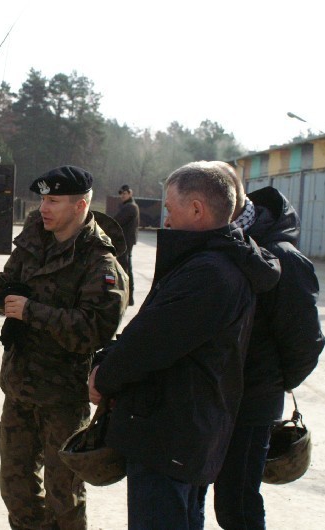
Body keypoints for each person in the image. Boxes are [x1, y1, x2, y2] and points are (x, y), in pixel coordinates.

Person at [88, 161, 281, 529]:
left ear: (196, 209)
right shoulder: (217, 262)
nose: (166, 217)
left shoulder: (210, 273)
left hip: (171, 434)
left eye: (170, 208)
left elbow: (150, 343)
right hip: (190, 430)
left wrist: (105, 376)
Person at [0, 165, 128, 530]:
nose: (44, 207)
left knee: (64, 498)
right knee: (16, 489)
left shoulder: (99, 262)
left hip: (62, 396)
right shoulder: (32, 243)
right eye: (43, 198)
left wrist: (33, 312)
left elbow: (95, 330)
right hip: (19, 388)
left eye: (54, 200)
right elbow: (13, 303)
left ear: (79, 206)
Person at [209, 162, 325, 529]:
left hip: (252, 400)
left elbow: (305, 341)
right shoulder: (214, 241)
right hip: (210, 393)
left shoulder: (282, 256)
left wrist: (269, 383)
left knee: (237, 501)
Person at [114, 184, 140, 305]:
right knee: (125, 269)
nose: (123, 196)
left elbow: (116, 221)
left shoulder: (130, 207)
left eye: (125, 193)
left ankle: (127, 298)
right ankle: (128, 299)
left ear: (130, 193)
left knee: (124, 270)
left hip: (124, 243)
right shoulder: (128, 206)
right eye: (121, 194)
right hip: (124, 243)